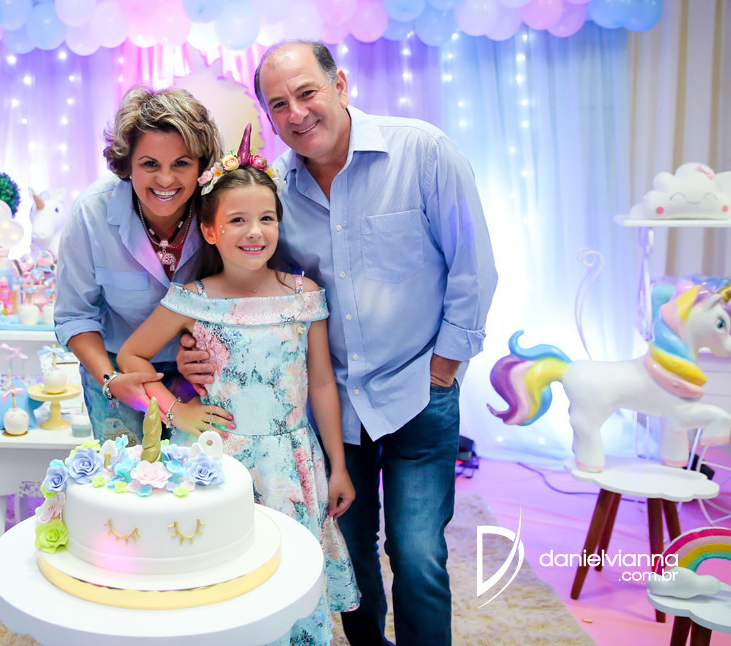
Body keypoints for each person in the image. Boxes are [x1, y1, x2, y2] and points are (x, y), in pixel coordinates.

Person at [179, 41, 497, 646]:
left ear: (341, 85)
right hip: (333, 405)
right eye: (279, 104)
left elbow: (473, 268)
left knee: (418, 555)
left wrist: (444, 368)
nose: (296, 113)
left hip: (419, 391)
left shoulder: (422, 152)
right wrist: (200, 343)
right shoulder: (274, 188)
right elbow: (251, 278)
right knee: (346, 552)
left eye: (307, 93)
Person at [117, 127, 359, 646]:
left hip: (290, 462)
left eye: (267, 218)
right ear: (210, 230)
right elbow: (130, 356)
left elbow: (321, 382)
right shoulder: (192, 298)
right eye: (238, 220)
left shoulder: (304, 295)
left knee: (286, 580)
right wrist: (176, 410)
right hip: (214, 460)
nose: (255, 231)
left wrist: (338, 465)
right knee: (221, 581)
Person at [55, 85, 233, 445]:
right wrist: (111, 380)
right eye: (150, 164)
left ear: (201, 165)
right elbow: (75, 316)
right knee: (125, 472)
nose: (165, 180)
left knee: (200, 472)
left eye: (181, 163)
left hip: (198, 372)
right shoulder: (91, 213)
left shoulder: (222, 207)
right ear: (126, 165)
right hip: (114, 368)